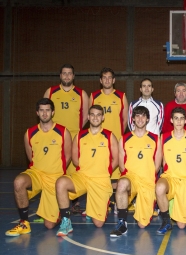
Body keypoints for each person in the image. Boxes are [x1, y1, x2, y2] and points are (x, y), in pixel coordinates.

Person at [5, 98, 72, 236]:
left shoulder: (63, 132)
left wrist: (56, 172)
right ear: (37, 112)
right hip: (36, 174)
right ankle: (24, 223)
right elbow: (31, 157)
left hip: (54, 177)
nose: (45, 113)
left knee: (49, 225)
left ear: (53, 112)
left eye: (47, 110)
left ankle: (58, 210)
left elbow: (68, 155)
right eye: (41, 110)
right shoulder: (29, 133)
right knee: (19, 182)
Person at [55, 105, 119, 236]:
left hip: (100, 179)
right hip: (83, 176)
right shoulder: (79, 135)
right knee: (61, 183)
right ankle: (66, 221)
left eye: (98, 115)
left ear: (103, 117)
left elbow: (116, 159)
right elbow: (75, 159)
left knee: (98, 224)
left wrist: (104, 172)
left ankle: (93, 209)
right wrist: (88, 168)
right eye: (93, 114)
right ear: (88, 117)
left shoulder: (109, 136)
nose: (95, 117)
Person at [110, 106, 162, 237]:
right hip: (131, 178)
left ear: (148, 119)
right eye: (137, 116)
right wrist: (130, 178)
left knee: (142, 225)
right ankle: (122, 223)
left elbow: (157, 164)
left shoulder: (156, 139)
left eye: (143, 116)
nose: (140, 119)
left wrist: (147, 176)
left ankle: (141, 204)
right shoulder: (125, 138)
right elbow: (122, 166)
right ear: (132, 119)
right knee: (122, 183)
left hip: (147, 181)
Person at [44, 64, 89, 214]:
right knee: (54, 169)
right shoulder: (50, 92)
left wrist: (74, 133)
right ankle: (53, 204)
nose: (67, 76)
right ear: (60, 76)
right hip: (55, 138)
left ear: (74, 76)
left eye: (70, 73)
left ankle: (75, 202)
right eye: (64, 73)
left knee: (74, 169)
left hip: (74, 137)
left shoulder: (81, 94)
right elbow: (45, 112)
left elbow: (85, 116)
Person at [90, 67, 128, 213]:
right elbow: (90, 118)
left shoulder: (121, 96)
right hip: (98, 142)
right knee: (101, 172)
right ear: (100, 80)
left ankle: (117, 202)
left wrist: (118, 137)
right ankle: (102, 202)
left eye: (109, 77)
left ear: (114, 80)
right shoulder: (93, 96)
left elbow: (124, 120)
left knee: (117, 174)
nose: (107, 80)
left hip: (115, 141)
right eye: (104, 77)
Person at [155, 107, 186, 235]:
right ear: (171, 120)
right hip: (170, 178)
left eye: (181, 118)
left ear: (185, 121)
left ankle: (175, 202)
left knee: (181, 226)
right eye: (176, 118)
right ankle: (166, 220)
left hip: (185, 181)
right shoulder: (164, 137)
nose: (178, 121)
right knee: (159, 188)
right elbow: (161, 161)